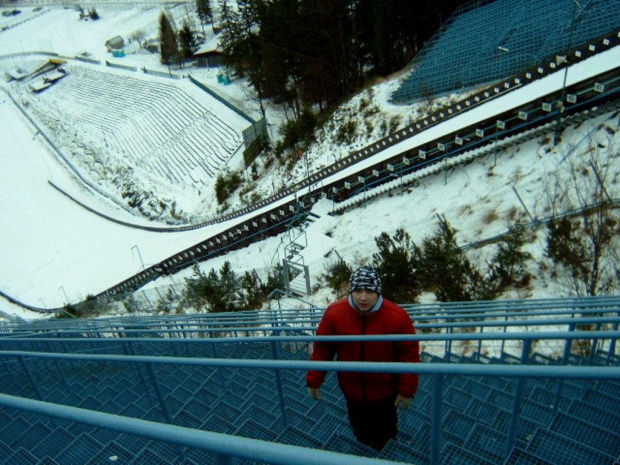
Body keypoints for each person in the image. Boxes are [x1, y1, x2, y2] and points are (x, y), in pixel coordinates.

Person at [306, 266, 420, 451]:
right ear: (351, 291)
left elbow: (409, 355)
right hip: (352, 390)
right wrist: (314, 379)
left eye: (369, 291)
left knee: (386, 434)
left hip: (384, 391)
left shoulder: (397, 317)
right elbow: (323, 349)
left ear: (378, 291)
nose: (363, 298)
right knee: (360, 431)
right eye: (358, 291)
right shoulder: (335, 313)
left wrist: (407, 389)